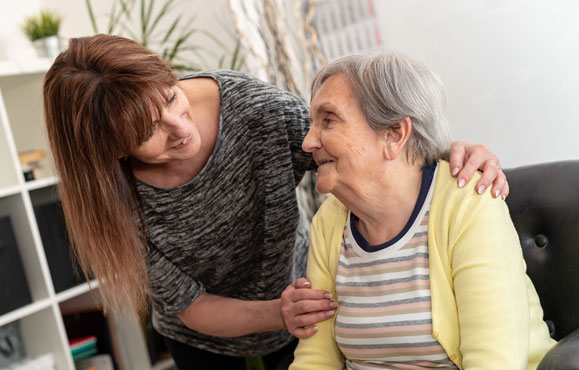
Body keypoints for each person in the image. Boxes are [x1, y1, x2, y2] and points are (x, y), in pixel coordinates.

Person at [42, 34, 508, 369]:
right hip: (206, 341)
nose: (181, 128)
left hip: (301, 316)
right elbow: (191, 304)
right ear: (116, 152)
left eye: (171, 98)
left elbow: (354, 145)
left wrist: (450, 152)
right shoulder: (114, 197)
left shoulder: (253, 110)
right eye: (149, 132)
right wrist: (278, 311)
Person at [290, 51, 555, 369]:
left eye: (328, 120)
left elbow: (493, 362)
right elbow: (315, 359)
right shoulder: (330, 221)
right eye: (312, 123)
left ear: (394, 134)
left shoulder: (466, 205)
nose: (308, 142)